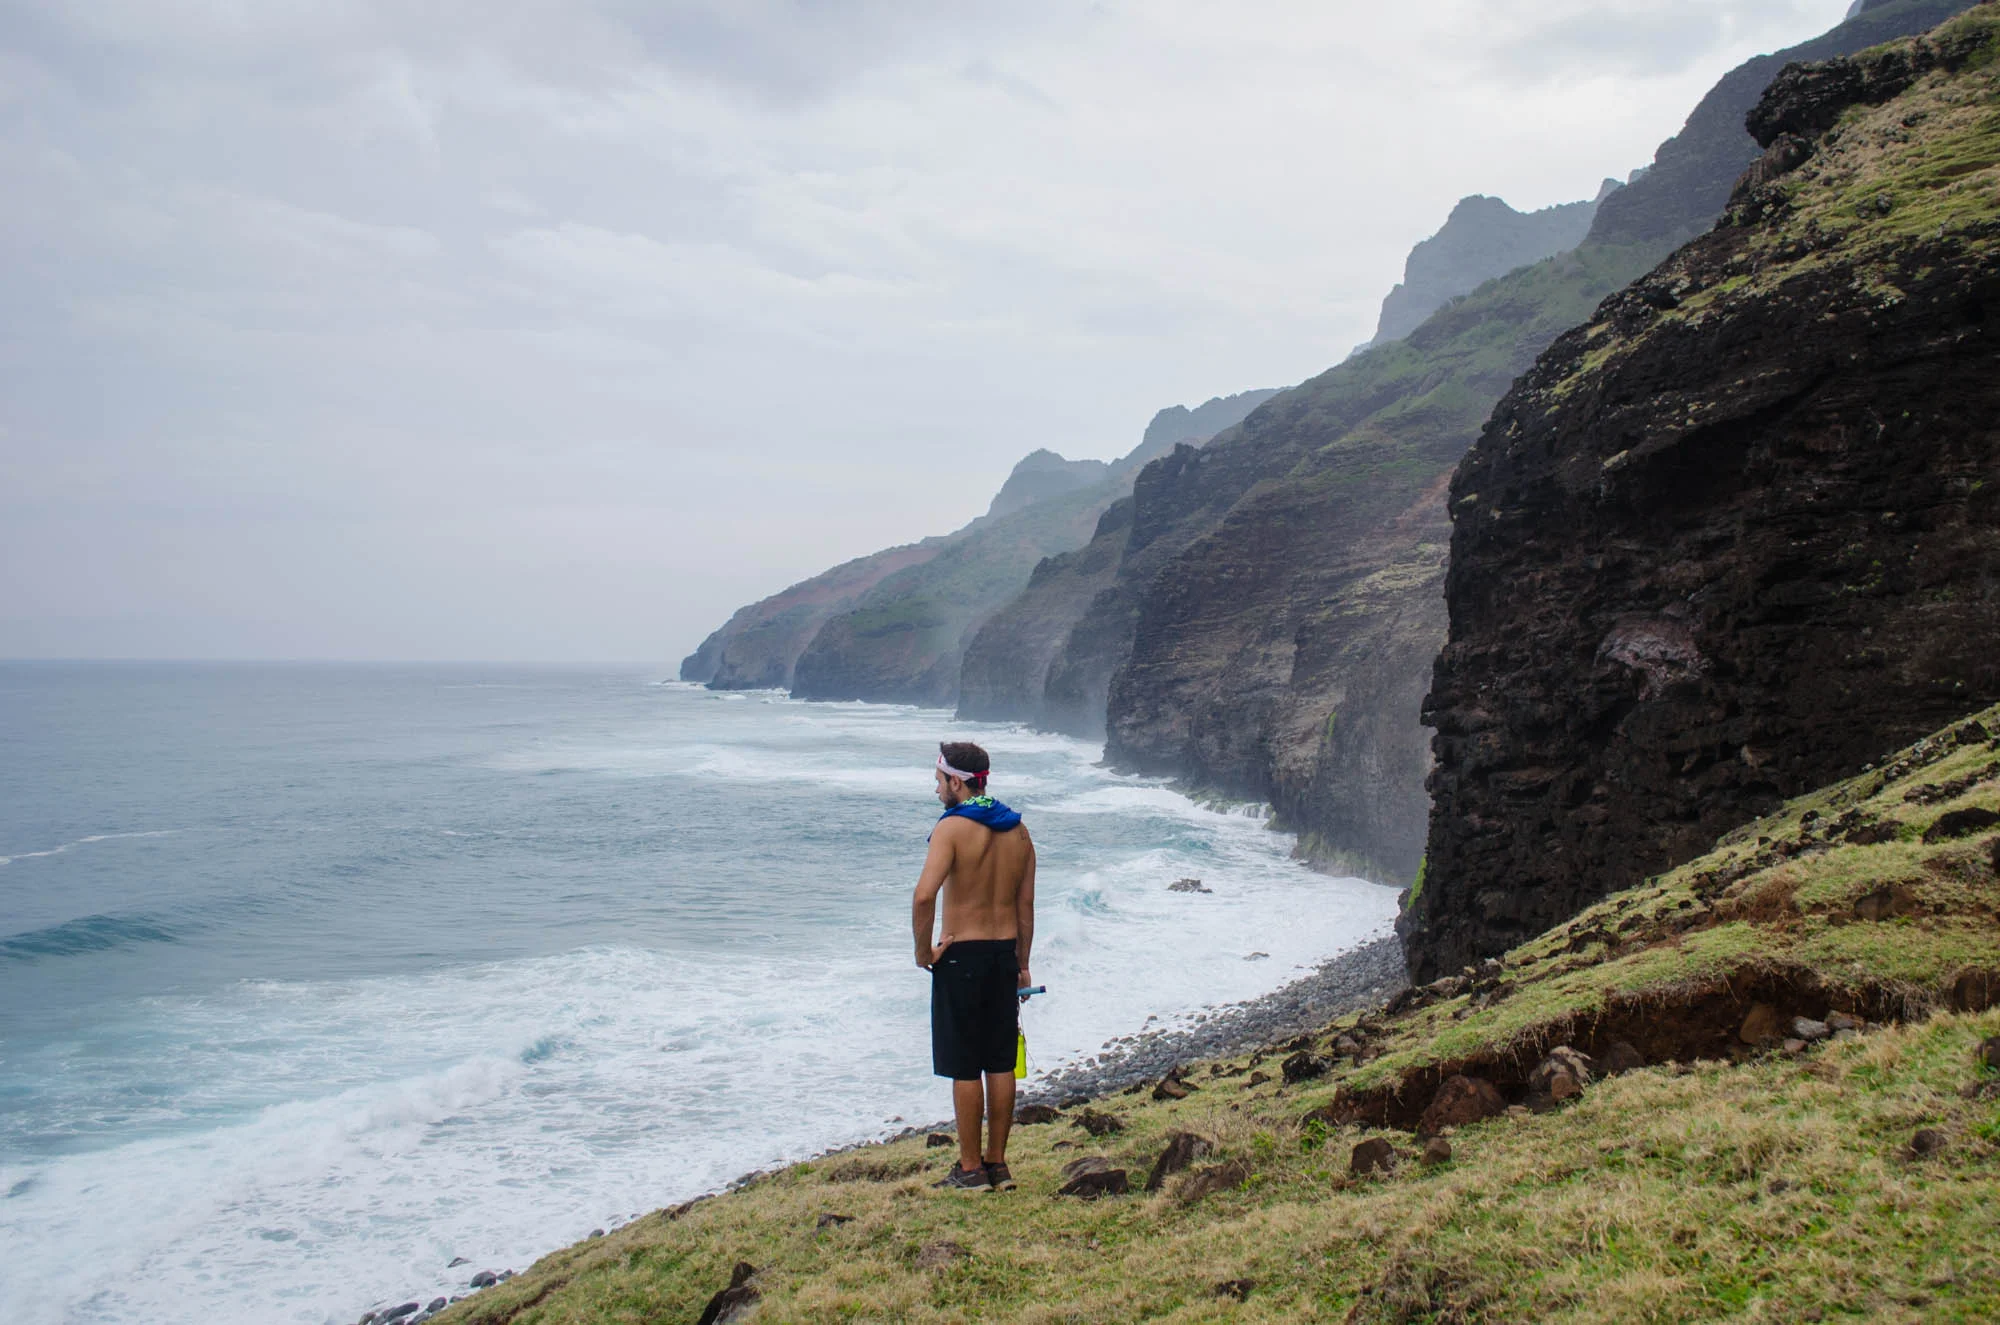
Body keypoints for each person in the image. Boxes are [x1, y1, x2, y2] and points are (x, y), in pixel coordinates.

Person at [912, 740, 1036, 1193]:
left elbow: (924, 896)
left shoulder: (951, 829)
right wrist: (1023, 964)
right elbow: (1026, 907)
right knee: (1000, 1062)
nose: (936, 790)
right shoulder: (1018, 830)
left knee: (965, 1066)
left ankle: (969, 1169)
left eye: (939, 781)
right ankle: (997, 1165)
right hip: (1004, 955)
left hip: (961, 957)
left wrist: (924, 953)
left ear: (957, 782)